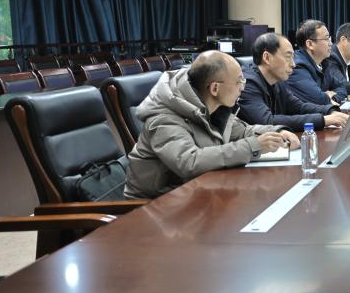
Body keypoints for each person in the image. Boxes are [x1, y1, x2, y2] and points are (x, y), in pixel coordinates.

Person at [124, 51, 300, 199]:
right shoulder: (164, 118)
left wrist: (277, 132)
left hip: (195, 193)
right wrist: (254, 146)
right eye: (239, 81)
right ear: (215, 88)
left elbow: (243, 131)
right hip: (154, 206)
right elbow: (189, 162)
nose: (243, 88)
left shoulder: (212, 106)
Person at [238, 33, 349, 131]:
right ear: (267, 57)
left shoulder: (277, 81)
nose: (293, 64)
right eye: (288, 57)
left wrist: (330, 111)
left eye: (293, 57)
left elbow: (299, 107)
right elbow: (267, 121)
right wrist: (323, 120)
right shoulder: (246, 85)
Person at [288, 19, 345, 106]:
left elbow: (341, 87)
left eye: (330, 38)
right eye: (326, 39)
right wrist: (326, 97)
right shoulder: (297, 67)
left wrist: (333, 98)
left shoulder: (323, 63)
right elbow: (319, 99)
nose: (331, 43)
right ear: (310, 44)